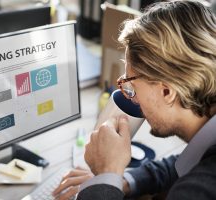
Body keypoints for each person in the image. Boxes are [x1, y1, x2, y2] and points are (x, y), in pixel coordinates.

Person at [53, 1, 216, 199]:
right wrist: (119, 181)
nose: (132, 96)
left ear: (167, 92)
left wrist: (106, 173)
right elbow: (184, 163)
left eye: (131, 84)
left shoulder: (198, 191)